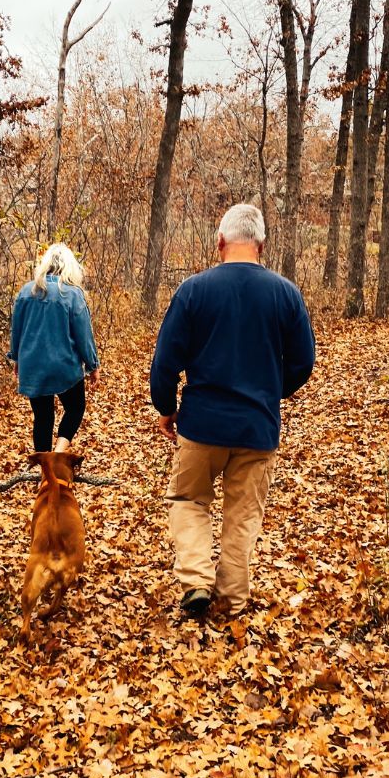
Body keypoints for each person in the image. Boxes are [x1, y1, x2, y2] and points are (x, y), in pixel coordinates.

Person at [150, 203, 316, 616]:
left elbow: (166, 360)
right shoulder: (285, 293)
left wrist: (166, 407)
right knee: (242, 518)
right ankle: (233, 599)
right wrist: (271, 393)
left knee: (189, 500)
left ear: (219, 241)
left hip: (201, 423)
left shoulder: (193, 290)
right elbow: (303, 362)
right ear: (262, 244)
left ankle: (196, 582)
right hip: (257, 428)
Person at [8, 243, 100, 454]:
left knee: (42, 417)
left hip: (33, 366)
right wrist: (92, 365)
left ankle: (45, 472)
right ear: (69, 267)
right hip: (63, 367)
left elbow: (17, 330)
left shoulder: (26, 292)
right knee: (75, 408)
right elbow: (84, 335)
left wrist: (17, 359)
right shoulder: (73, 295)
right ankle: (57, 454)